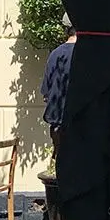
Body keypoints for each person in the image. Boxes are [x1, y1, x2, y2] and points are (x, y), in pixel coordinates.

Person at [41, 14, 77, 146]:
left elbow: (46, 94)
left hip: (58, 128)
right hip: (83, 128)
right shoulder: (88, 54)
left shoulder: (55, 54)